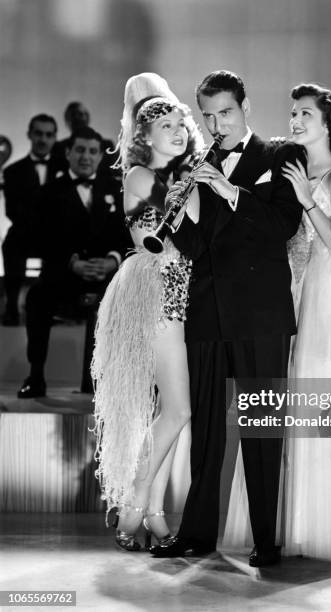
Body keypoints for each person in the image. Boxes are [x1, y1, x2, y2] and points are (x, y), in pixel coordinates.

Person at [224, 83, 331, 562]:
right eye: (293, 112)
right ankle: (289, 525)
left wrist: (307, 200)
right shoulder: (289, 168)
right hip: (289, 288)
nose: (295, 120)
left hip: (324, 294)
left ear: (328, 123)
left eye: (305, 113)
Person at [152, 70, 303, 567]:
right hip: (209, 311)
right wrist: (185, 212)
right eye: (209, 115)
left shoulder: (279, 156)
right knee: (209, 435)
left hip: (260, 314)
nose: (217, 124)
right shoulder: (198, 164)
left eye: (226, 113)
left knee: (261, 430)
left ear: (245, 107)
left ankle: (266, 541)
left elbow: (282, 225)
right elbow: (198, 248)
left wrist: (231, 192)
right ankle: (197, 534)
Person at [91, 73, 203, 551]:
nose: (177, 132)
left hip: (187, 298)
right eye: (165, 127)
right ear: (144, 136)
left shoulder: (189, 175)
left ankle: (155, 513)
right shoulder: (141, 176)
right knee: (177, 408)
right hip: (155, 295)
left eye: (181, 124)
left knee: (175, 410)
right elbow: (150, 242)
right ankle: (135, 507)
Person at [17, 126, 128, 399]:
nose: (85, 156)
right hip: (63, 278)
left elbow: (127, 236)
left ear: (101, 155)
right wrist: (70, 262)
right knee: (36, 298)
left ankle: (111, 382)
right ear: (67, 152)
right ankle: (36, 375)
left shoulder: (117, 189)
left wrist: (113, 261)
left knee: (128, 299)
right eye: (79, 150)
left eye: (92, 151)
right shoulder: (48, 193)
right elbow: (37, 239)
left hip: (106, 279)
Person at [2, 114, 63, 326]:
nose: (43, 139)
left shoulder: (64, 169)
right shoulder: (12, 171)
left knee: (64, 241)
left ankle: (57, 306)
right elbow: (12, 211)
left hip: (55, 233)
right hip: (26, 232)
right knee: (11, 243)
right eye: (38, 133)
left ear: (55, 137)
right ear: (29, 134)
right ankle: (11, 306)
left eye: (48, 135)